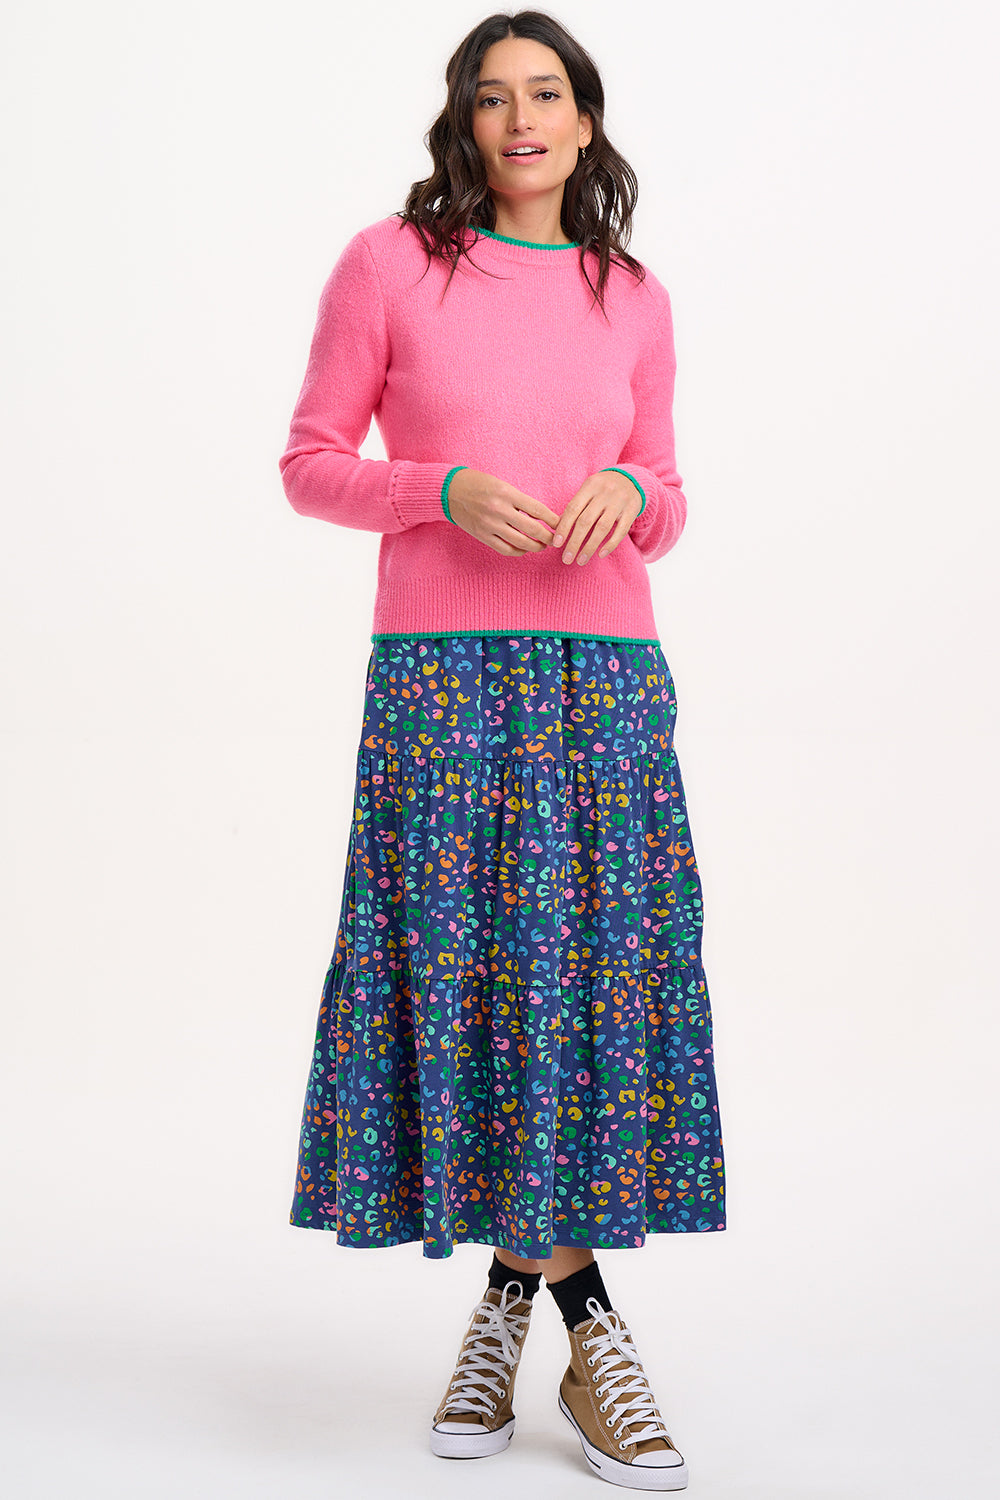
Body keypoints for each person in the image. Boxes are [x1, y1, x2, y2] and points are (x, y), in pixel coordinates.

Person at [278, 9, 726, 1491]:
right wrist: (439, 490)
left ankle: (508, 1313)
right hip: (444, 676)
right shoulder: (387, 265)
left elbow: (667, 490)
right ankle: (587, 1326)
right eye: (492, 97)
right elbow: (311, 464)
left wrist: (631, 497)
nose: (521, 119)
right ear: (463, 123)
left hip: (606, 679)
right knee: (472, 971)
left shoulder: (635, 295)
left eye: (547, 94)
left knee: (585, 981)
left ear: (586, 121)